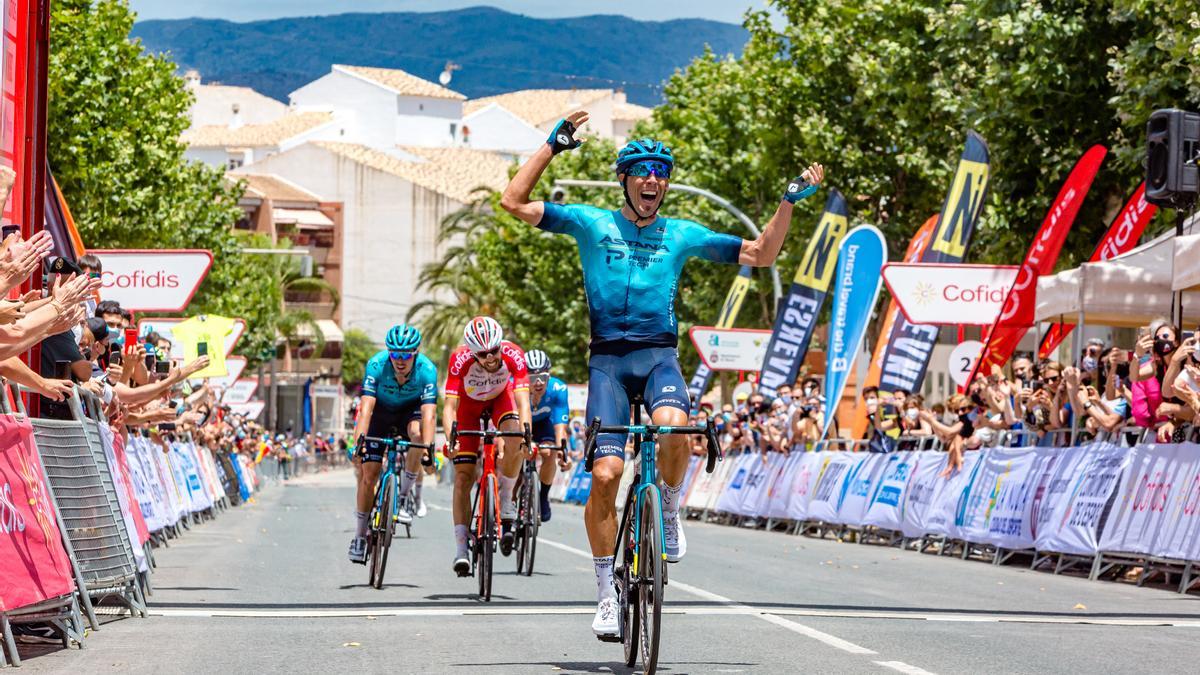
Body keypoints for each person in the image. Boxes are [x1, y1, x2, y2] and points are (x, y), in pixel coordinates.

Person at [500, 110, 824, 636]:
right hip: (606, 362)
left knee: (675, 425)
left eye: (662, 173)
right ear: (625, 179)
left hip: (658, 357)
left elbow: (762, 254)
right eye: (643, 171)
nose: (654, 180)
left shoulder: (681, 234)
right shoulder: (591, 223)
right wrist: (550, 149)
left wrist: (786, 201)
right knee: (605, 476)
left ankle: (668, 504)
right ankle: (607, 592)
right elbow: (512, 203)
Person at [442, 316, 531, 575]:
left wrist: (527, 438)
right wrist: (452, 439)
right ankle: (461, 549)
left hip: (499, 401)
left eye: (494, 351)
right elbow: (449, 407)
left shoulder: (514, 354)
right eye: (483, 354)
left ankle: (505, 499)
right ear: (472, 352)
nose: (491, 358)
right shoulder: (459, 360)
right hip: (469, 407)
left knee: (515, 435)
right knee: (462, 478)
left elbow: (523, 403)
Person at [347, 324, 438, 564]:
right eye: (395, 354)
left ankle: (405, 496)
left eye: (406, 354)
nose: (400, 360)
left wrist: (429, 449)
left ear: (415, 353)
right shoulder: (376, 365)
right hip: (380, 413)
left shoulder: (427, 369)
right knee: (369, 475)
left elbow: (429, 414)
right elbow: (365, 409)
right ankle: (359, 536)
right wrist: (359, 444)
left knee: (417, 435)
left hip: (410, 412)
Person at [526, 349, 572, 522]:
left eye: (543, 377)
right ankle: (511, 497)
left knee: (549, 452)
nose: (538, 382)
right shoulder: (516, 387)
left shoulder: (558, 388)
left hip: (545, 423)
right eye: (532, 378)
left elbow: (560, 425)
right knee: (517, 454)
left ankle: (543, 497)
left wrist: (563, 452)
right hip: (521, 423)